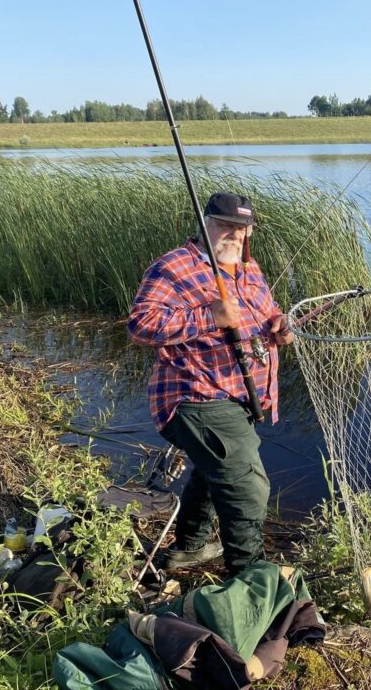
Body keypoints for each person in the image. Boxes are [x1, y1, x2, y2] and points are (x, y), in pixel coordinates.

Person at [127, 191, 294, 575]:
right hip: (195, 396)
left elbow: (269, 313)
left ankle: (190, 547)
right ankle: (250, 579)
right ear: (205, 224)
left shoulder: (248, 269)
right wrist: (208, 316)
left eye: (242, 228)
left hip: (242, 396)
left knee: (212, 468)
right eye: (225, 226)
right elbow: (140, 326)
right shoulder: (173, 267)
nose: (234, 235)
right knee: (247, 487)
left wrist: (280, 328)